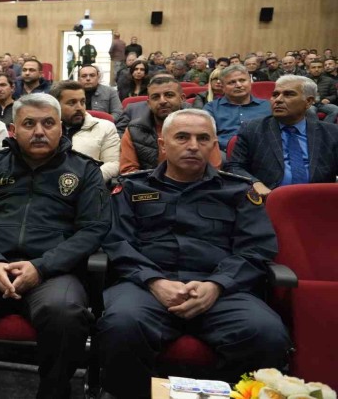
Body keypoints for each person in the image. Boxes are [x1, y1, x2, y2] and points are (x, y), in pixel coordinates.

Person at [97, 109, 291, 399]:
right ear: (163, 144)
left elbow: (256, 248)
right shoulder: (132, 187)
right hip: (146, 287)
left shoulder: (238, 191)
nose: (193, 146)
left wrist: (216, 285)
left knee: (267, 333)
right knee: (121, 325)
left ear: (214, 145)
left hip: (223, 290)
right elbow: (117, 242)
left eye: (202, 139)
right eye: (182, 137)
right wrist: (155, 281)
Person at [0, 93, 111, 399]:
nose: (39, 131)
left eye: (48, 123)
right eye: (29, 124)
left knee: (65, 314)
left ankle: (52, 392)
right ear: (13, 130)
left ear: (61, 127)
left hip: (54, 271)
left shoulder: (84, 170)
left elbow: (93, 229)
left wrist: (41, 267)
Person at [227, 75, 338, 196]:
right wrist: (255, 183)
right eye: (275, 95)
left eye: (288, 94)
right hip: (267, 200)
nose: (278, 100)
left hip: (319, 199)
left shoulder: (331, 133)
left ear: (308, 101)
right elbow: (235, 167)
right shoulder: (252, 129)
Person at [120, 76, 222, 174]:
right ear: (149, 103)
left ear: (182, 98)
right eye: (155, 97)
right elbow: (129, 172)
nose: (162, 101)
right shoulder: (135, 130)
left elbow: (213, 169)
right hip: (148, 184)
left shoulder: (203, 126)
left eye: (169, 95)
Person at [52, 80, 120, 182]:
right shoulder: (45, 129)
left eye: (82, 102)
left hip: (89, 184)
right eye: (72, 103)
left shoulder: (105, 127)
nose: (79, 107)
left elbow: (113, 164)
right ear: (56, 106)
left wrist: (86, 181)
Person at [203, 65, 271, 154]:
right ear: (222, 87)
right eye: (231, 82)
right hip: (225, 153)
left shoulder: (267, 106)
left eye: (242, 80)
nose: (238, 85)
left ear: (250, 82)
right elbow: (205, 136)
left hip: (263, 152)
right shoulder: (211, 108)